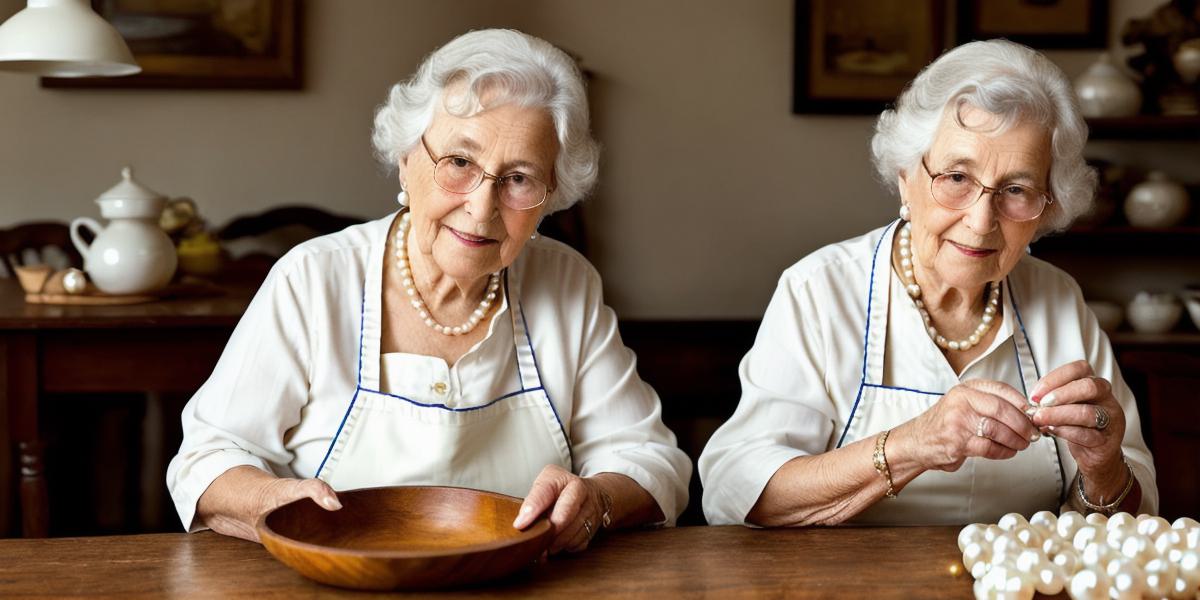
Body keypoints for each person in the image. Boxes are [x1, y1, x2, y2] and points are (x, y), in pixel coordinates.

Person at [167, 29, 690, 553]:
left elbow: (650, 460)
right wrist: (273, 503)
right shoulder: (313, 279)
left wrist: (595, 500)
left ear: (551, 197)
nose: (481, 209)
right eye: (459, 163)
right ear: (405, 159)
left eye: (519, 179)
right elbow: (207, 459)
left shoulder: (567, 282)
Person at [699, 40, 1157, 526]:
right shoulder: (819, 290)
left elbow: (1135, 513)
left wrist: (1103, 467)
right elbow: (734, 491)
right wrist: (914, 443)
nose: (981, 221)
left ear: (1048, 207)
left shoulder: (1059, 300)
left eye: (1017, 190)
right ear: (905, 176)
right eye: (957, 177)